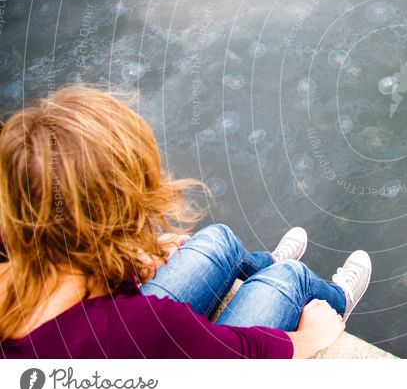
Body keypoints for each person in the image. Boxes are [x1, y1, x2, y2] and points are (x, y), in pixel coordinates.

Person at [0, 84, 371, 359]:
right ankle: (335, 302)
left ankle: (264, 263)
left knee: (216, 240)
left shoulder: (13, 277)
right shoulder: (141, 328)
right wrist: (310, 338)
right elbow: (240, 355)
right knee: (287, 280)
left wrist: (123, 266)